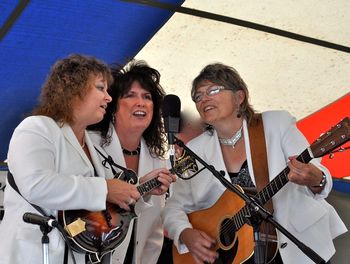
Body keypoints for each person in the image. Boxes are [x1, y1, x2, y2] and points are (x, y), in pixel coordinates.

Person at [162, 63, 347, 264]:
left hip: (297, 246)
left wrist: (315, 179)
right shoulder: (195, 151)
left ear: (239, 97)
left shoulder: (276, 124)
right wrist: (185, 233)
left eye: (213, 90)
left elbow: (318, 172)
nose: (204, 98)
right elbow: (174, 206)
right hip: (237, 256)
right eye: (198, 96)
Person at [0, 54, 171, 264]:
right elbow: (36, 185)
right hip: (33, 255)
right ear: (72, 88)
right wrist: (106, 188)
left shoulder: (92, 148)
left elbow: (104, 208)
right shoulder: (37, 128)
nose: (108, 97)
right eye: (100, 88)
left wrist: (140, 187)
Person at [88, 60, 176, 264]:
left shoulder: (158, 161)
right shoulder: (89, 145)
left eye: (147, 97)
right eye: (130, 95)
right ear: (112, 106)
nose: (141, 102)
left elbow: (153, 231)